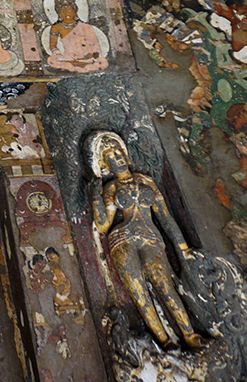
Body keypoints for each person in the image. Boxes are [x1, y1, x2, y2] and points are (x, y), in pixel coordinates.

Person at [89, 131, 203, 349]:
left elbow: (166, 218)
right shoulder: (111, 188)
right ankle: (164, 340)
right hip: (122, 239)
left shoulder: (146, 182)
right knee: (138, 289)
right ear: (105, 164)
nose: (118, 156)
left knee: (164, 284)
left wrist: (183, 248)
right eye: (110, 154)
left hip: (151, 237)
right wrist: (95, 197)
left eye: (119, 150)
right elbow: (104, 224)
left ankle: (189, 334)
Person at [43, 0, 110, 72]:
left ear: (75, 11)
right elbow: (53, 46)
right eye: (63, 11)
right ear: (59, 13)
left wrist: (90, 55)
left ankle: (79, 65)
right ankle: (75, 65)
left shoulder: (86, 27)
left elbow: (95, 46)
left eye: (69, 10)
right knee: (52, 60)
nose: (67, 13)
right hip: (69, 57)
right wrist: (59, 55)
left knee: (102, 62)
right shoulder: (56, 27)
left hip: (87, 57)